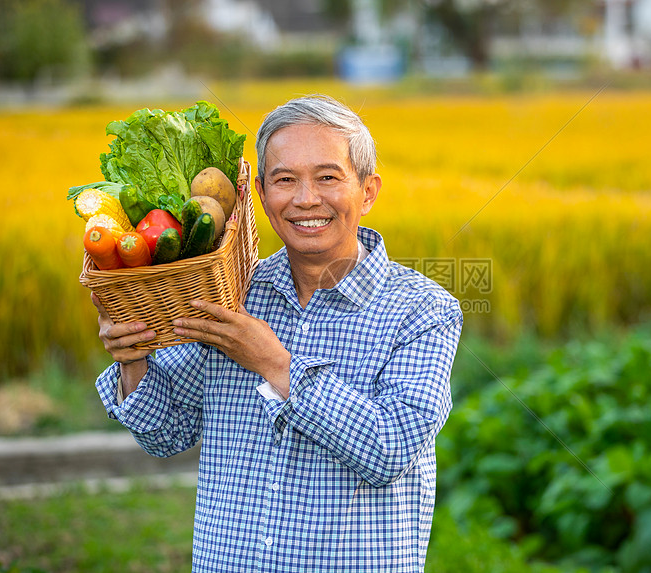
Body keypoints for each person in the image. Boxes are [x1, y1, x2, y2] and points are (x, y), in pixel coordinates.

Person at [92, 94, 463, 572]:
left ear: (368, 192)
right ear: (261, 195)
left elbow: (389, 449)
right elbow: (166, 433)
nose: (306, 199)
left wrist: (274, 364)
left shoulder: (422, 310)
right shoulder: (231, 295)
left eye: (328, 177)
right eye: (285, 180)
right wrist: (133, 357)